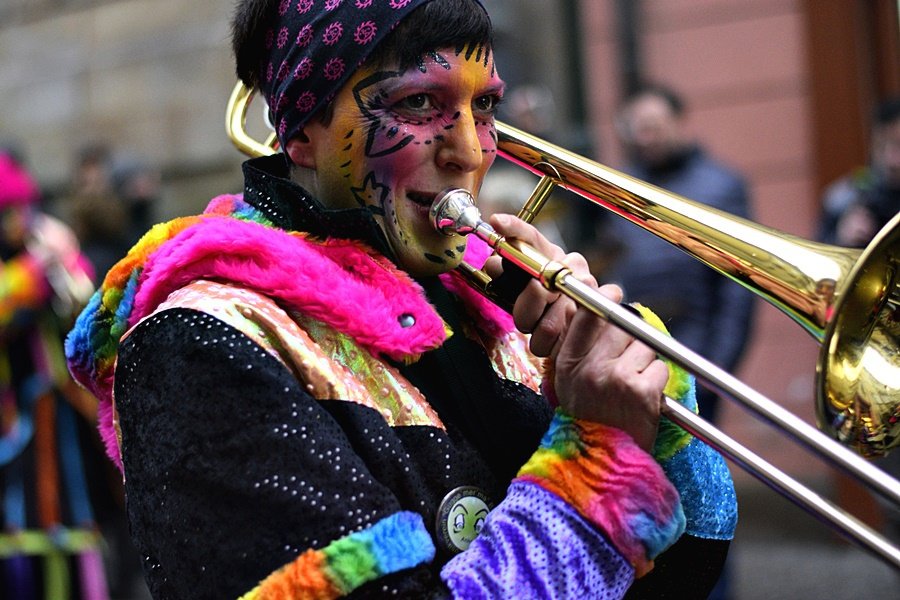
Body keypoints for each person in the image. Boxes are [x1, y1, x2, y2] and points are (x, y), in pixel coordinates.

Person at [65, 2, 736, 598]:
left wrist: (634, 393)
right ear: (301, 131)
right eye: (419, 104)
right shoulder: (196, 345)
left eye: (486, 106)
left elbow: (689, 570)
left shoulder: (489, 309)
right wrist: (592, 458)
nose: (471, 153)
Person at [603, 83, 755, 426]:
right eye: (637, 128)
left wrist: (719, 368)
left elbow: (738, 288)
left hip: (698, 352)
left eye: (654, 126)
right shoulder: (618, 183)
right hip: (634, 348)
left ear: (678, 122)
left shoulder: (722, 185)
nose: (646, 137)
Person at [0, 151, 112, 598]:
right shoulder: (23, 266)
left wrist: (64, 268)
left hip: (58, 411)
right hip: (13, 418)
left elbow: (80, 301)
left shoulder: (42, 247)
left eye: (21, 211)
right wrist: (31, 277)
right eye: (9, 213)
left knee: (69, 518)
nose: (19, 221)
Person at [817, 96, 900, 248]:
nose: (891, 160)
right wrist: (840, 240)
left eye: (898, 146)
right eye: (881, 146)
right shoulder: (845, 197)